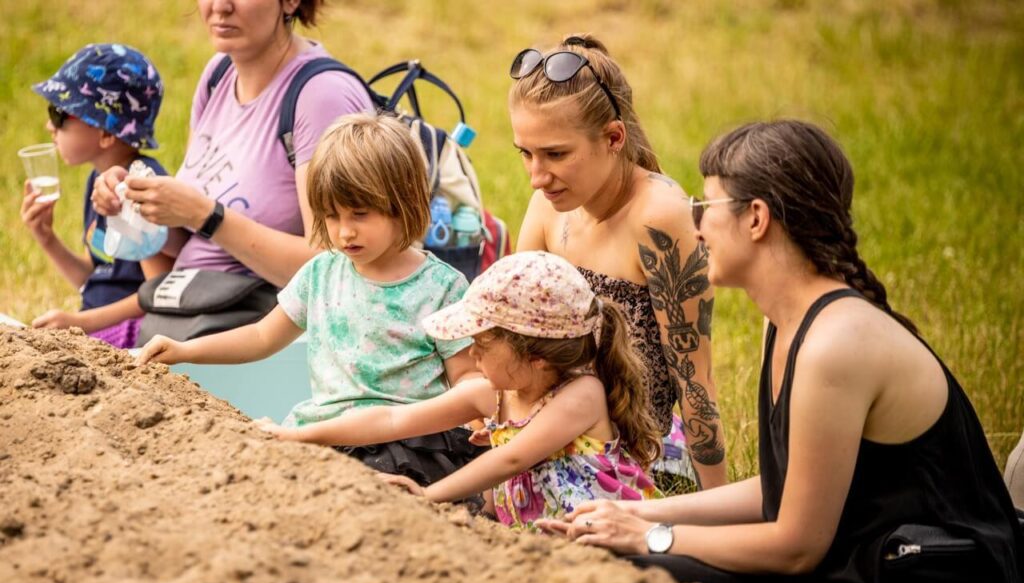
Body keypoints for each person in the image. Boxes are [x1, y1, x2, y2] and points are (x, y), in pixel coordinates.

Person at [537, 120, 1024, 583]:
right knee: (622, 566)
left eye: (706, 207)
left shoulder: (834, 344)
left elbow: (797, 546)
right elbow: (786, 488)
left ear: (757, 218)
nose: (695, 227)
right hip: (855, 566)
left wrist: (651, 535)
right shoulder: (786, 324)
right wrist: (638, 511)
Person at [138, 112, 481, 484]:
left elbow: (466, 379)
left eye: (360, 214)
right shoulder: (322, 273)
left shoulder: (443, 287)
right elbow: (260, 337)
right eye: (331, 216)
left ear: (404, 204)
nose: (344, 231)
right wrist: (184, 350)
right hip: (323, 435)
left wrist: (482, 426)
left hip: (409, 446)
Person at [262, 251, 663, 529]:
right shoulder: (492, 393)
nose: (469, 353)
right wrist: (298, 435)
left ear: (536, 356)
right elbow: (392, 418)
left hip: (607, 533)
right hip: (536, 534)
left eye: (482, 345)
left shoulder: (581, 395)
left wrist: (427, 495)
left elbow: (511, 460)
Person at [67, 0, 372, 343]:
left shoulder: (322, 97)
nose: (219, 7)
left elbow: (341, 268)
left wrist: (207, 216)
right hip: (185, 318)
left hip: (262, 344)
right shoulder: (218, 75)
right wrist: (137, 205)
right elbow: (187, 240)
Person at [509, 34, 727, 491]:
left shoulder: (660, 217)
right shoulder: (551, 200)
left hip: (635, 457)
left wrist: (718, 509)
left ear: (613, 137)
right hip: (546, 432)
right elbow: (510, 327)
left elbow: (694, 381)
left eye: (555, 153)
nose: (536, 176)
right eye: (525, 153)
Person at [22, 43, 170, 349]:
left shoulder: (141, 184)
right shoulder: (97, 179)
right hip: (98, 324)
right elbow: (96, 278)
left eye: (60, 114)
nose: (49, 126)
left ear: (106, 133)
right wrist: (46, 237)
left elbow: (159, 291)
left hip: (131, 333)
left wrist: (80, 324)